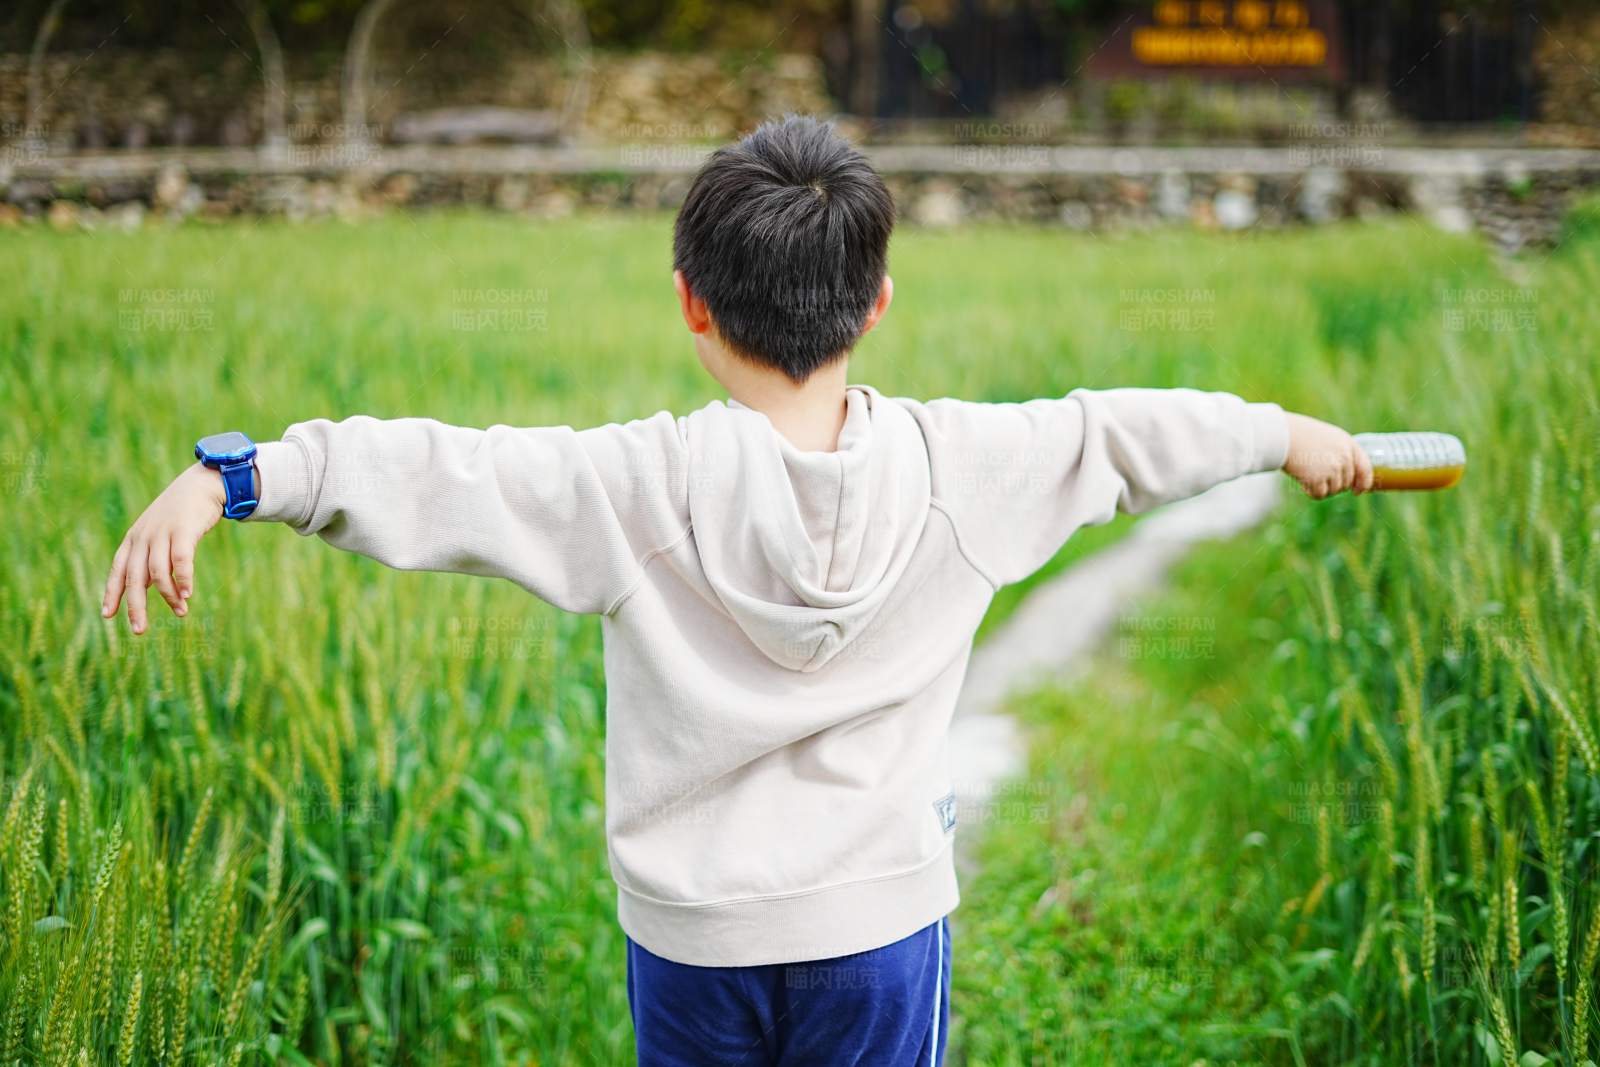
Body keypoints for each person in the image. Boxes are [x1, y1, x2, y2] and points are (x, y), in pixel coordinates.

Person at [102, 116, 1373, 1066]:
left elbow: (448, 472)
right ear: (875, 303)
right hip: (880, 934)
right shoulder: (963, 468)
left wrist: (241, 476)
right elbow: (1125, 433)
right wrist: (1283, 432)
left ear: (689, 305)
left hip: (691, 940)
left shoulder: (635, 483)